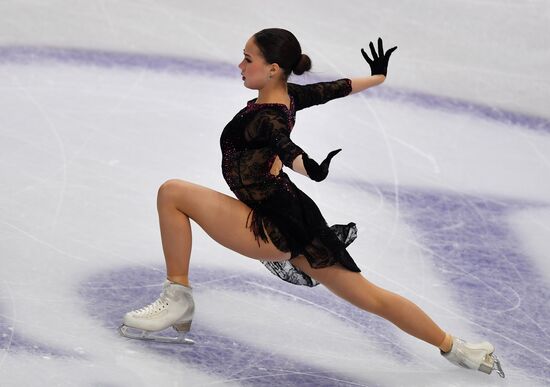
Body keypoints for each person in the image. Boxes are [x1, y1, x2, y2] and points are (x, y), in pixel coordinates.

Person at [119, 28, 504, 378]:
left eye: (247, 59)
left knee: (173, 193)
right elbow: (335, 88)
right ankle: (459, 349)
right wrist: (378, 77)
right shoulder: (289, 97)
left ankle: (178, 297)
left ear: (272, 69)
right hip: (296, 216)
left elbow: (286, 149)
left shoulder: (270, 117)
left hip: (269, 222)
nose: (240, 65)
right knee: (369, 296)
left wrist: (309, 168)